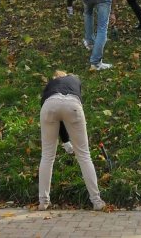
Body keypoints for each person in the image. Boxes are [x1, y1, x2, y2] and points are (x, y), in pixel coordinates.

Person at [38, 70, 106, 211]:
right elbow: (65, 113)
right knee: (84, 155)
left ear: (55, 78)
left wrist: (65, 141)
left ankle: (43, 202)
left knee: (47, 157)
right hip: (73, 105)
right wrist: (66, 141)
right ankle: (97, 201)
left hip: (49, 106)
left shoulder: (51, 84)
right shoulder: (75, 80)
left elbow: (57, 115)